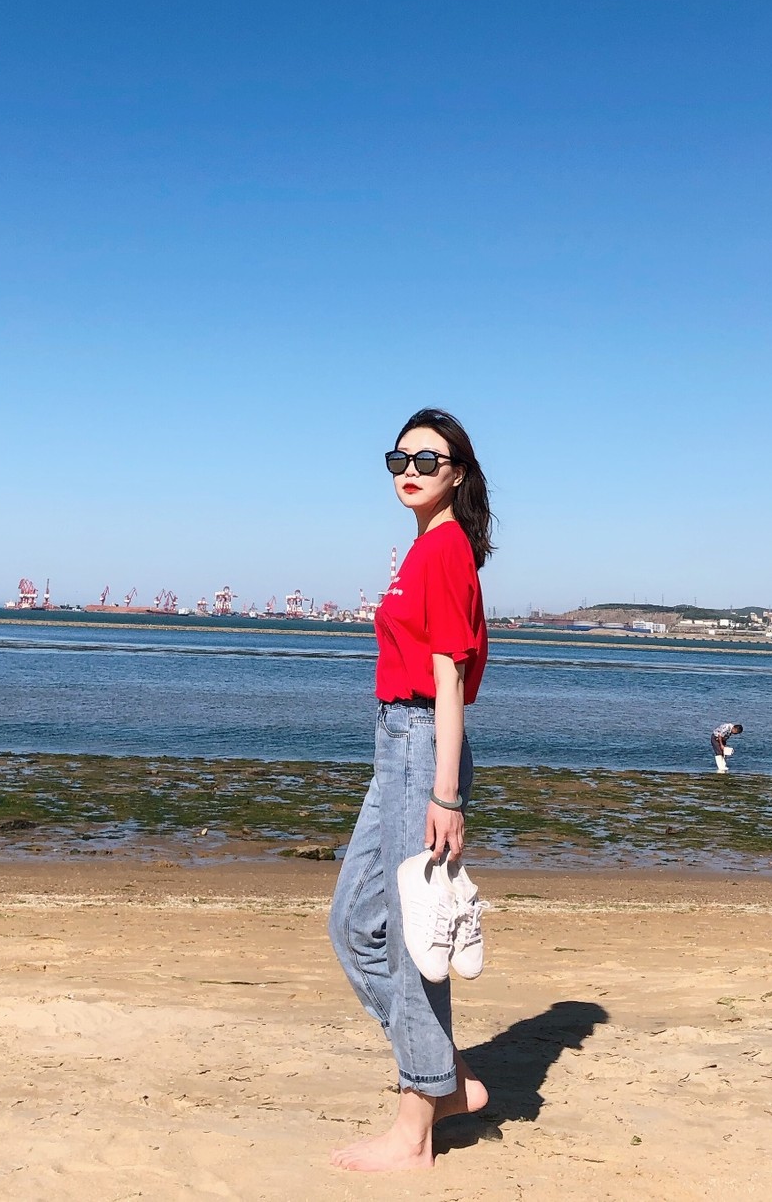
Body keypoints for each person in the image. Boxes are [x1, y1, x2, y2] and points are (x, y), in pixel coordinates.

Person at [327, 408, 493, 1172]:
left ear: (456, 473)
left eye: (429, 459)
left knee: (408, 935)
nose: (411, 470)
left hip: (423, 742)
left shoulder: (447, 547)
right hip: (394, 740)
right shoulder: (423, 547)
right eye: (400, 458)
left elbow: (449, 675)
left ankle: (416, 1126)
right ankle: (442, 1075)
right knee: (352, 923)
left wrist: (445, 793)